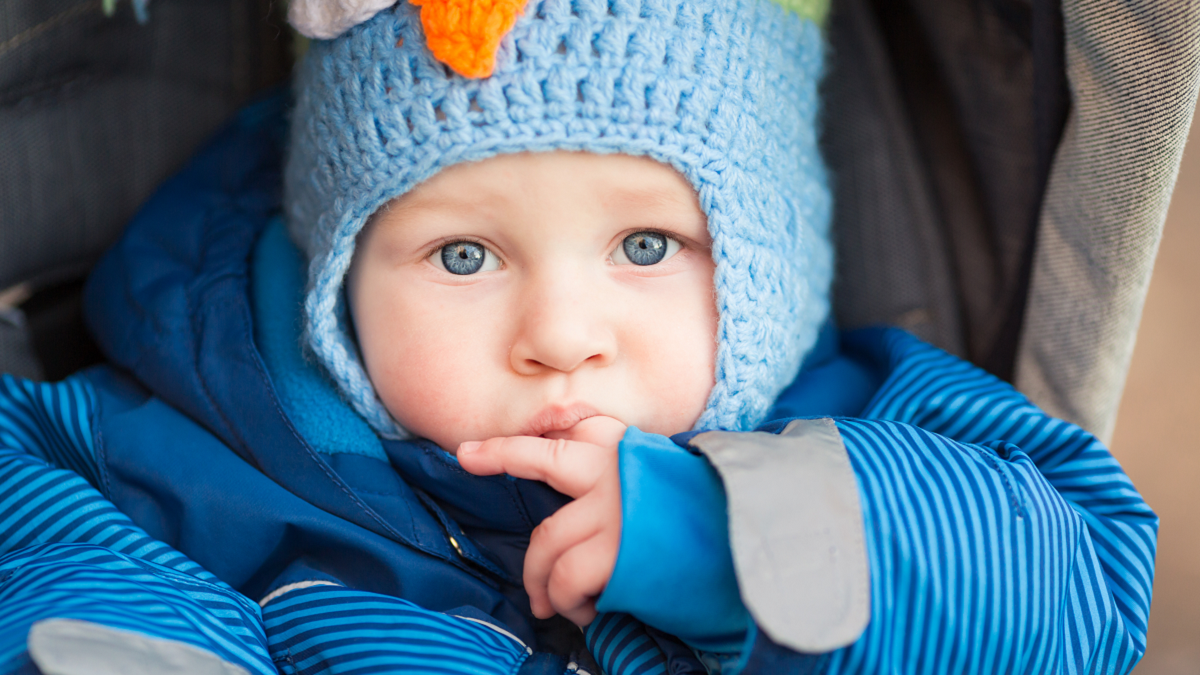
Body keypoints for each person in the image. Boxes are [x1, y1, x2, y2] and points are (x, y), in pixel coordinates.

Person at [0, 0, 1156, 673]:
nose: (560, 337)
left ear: (765, 256)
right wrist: (137, 633)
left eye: (646, 248)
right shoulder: (205, 431)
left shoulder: (862, 420)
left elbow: (1090, 588)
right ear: (335, 266)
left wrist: (740, 548)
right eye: (465, 257)